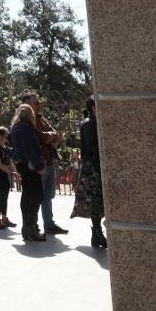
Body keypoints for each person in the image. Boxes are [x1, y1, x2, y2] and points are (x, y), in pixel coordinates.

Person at [25, 92, 67, 235]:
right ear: (27, 105)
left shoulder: (41, 118)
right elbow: (41, 137)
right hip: (39, 163)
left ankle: (49, 224)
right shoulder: (27, 121)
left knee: (48, 195)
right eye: (36, 103)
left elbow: (55, 135)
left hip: (49, 161)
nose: (39, 105)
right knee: (36, 196)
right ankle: (33, 225)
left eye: (39, 102)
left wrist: (51, 136)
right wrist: (50, 136)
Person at [9, 103, 47, 242]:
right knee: (36, 195)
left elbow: (12, 148)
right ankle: (30, 228)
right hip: (29, 165)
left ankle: (27, 227)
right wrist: (38, 165)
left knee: (27, 194)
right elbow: (29, 149)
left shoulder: (15, 128)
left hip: (22, 164)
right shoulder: (26, 128)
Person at [72, 98, 107, 249]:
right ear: (93, 107)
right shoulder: (90, 123)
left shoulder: (91, 122)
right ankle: (97, 234)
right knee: (95, 201)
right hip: (93, 168)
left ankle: (97, 234)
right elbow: (93, 148)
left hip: (94, 167)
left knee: (97, 202)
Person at [0, 126, 17, 230]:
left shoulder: (5, 147)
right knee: (1, 197)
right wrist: (11, 172)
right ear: (0, 136)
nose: (7, 136)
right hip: (0, 174)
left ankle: (4, 218)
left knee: (5, 197)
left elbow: (10, 161)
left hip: (6, 174)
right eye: (6, 135)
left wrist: (15, 172)